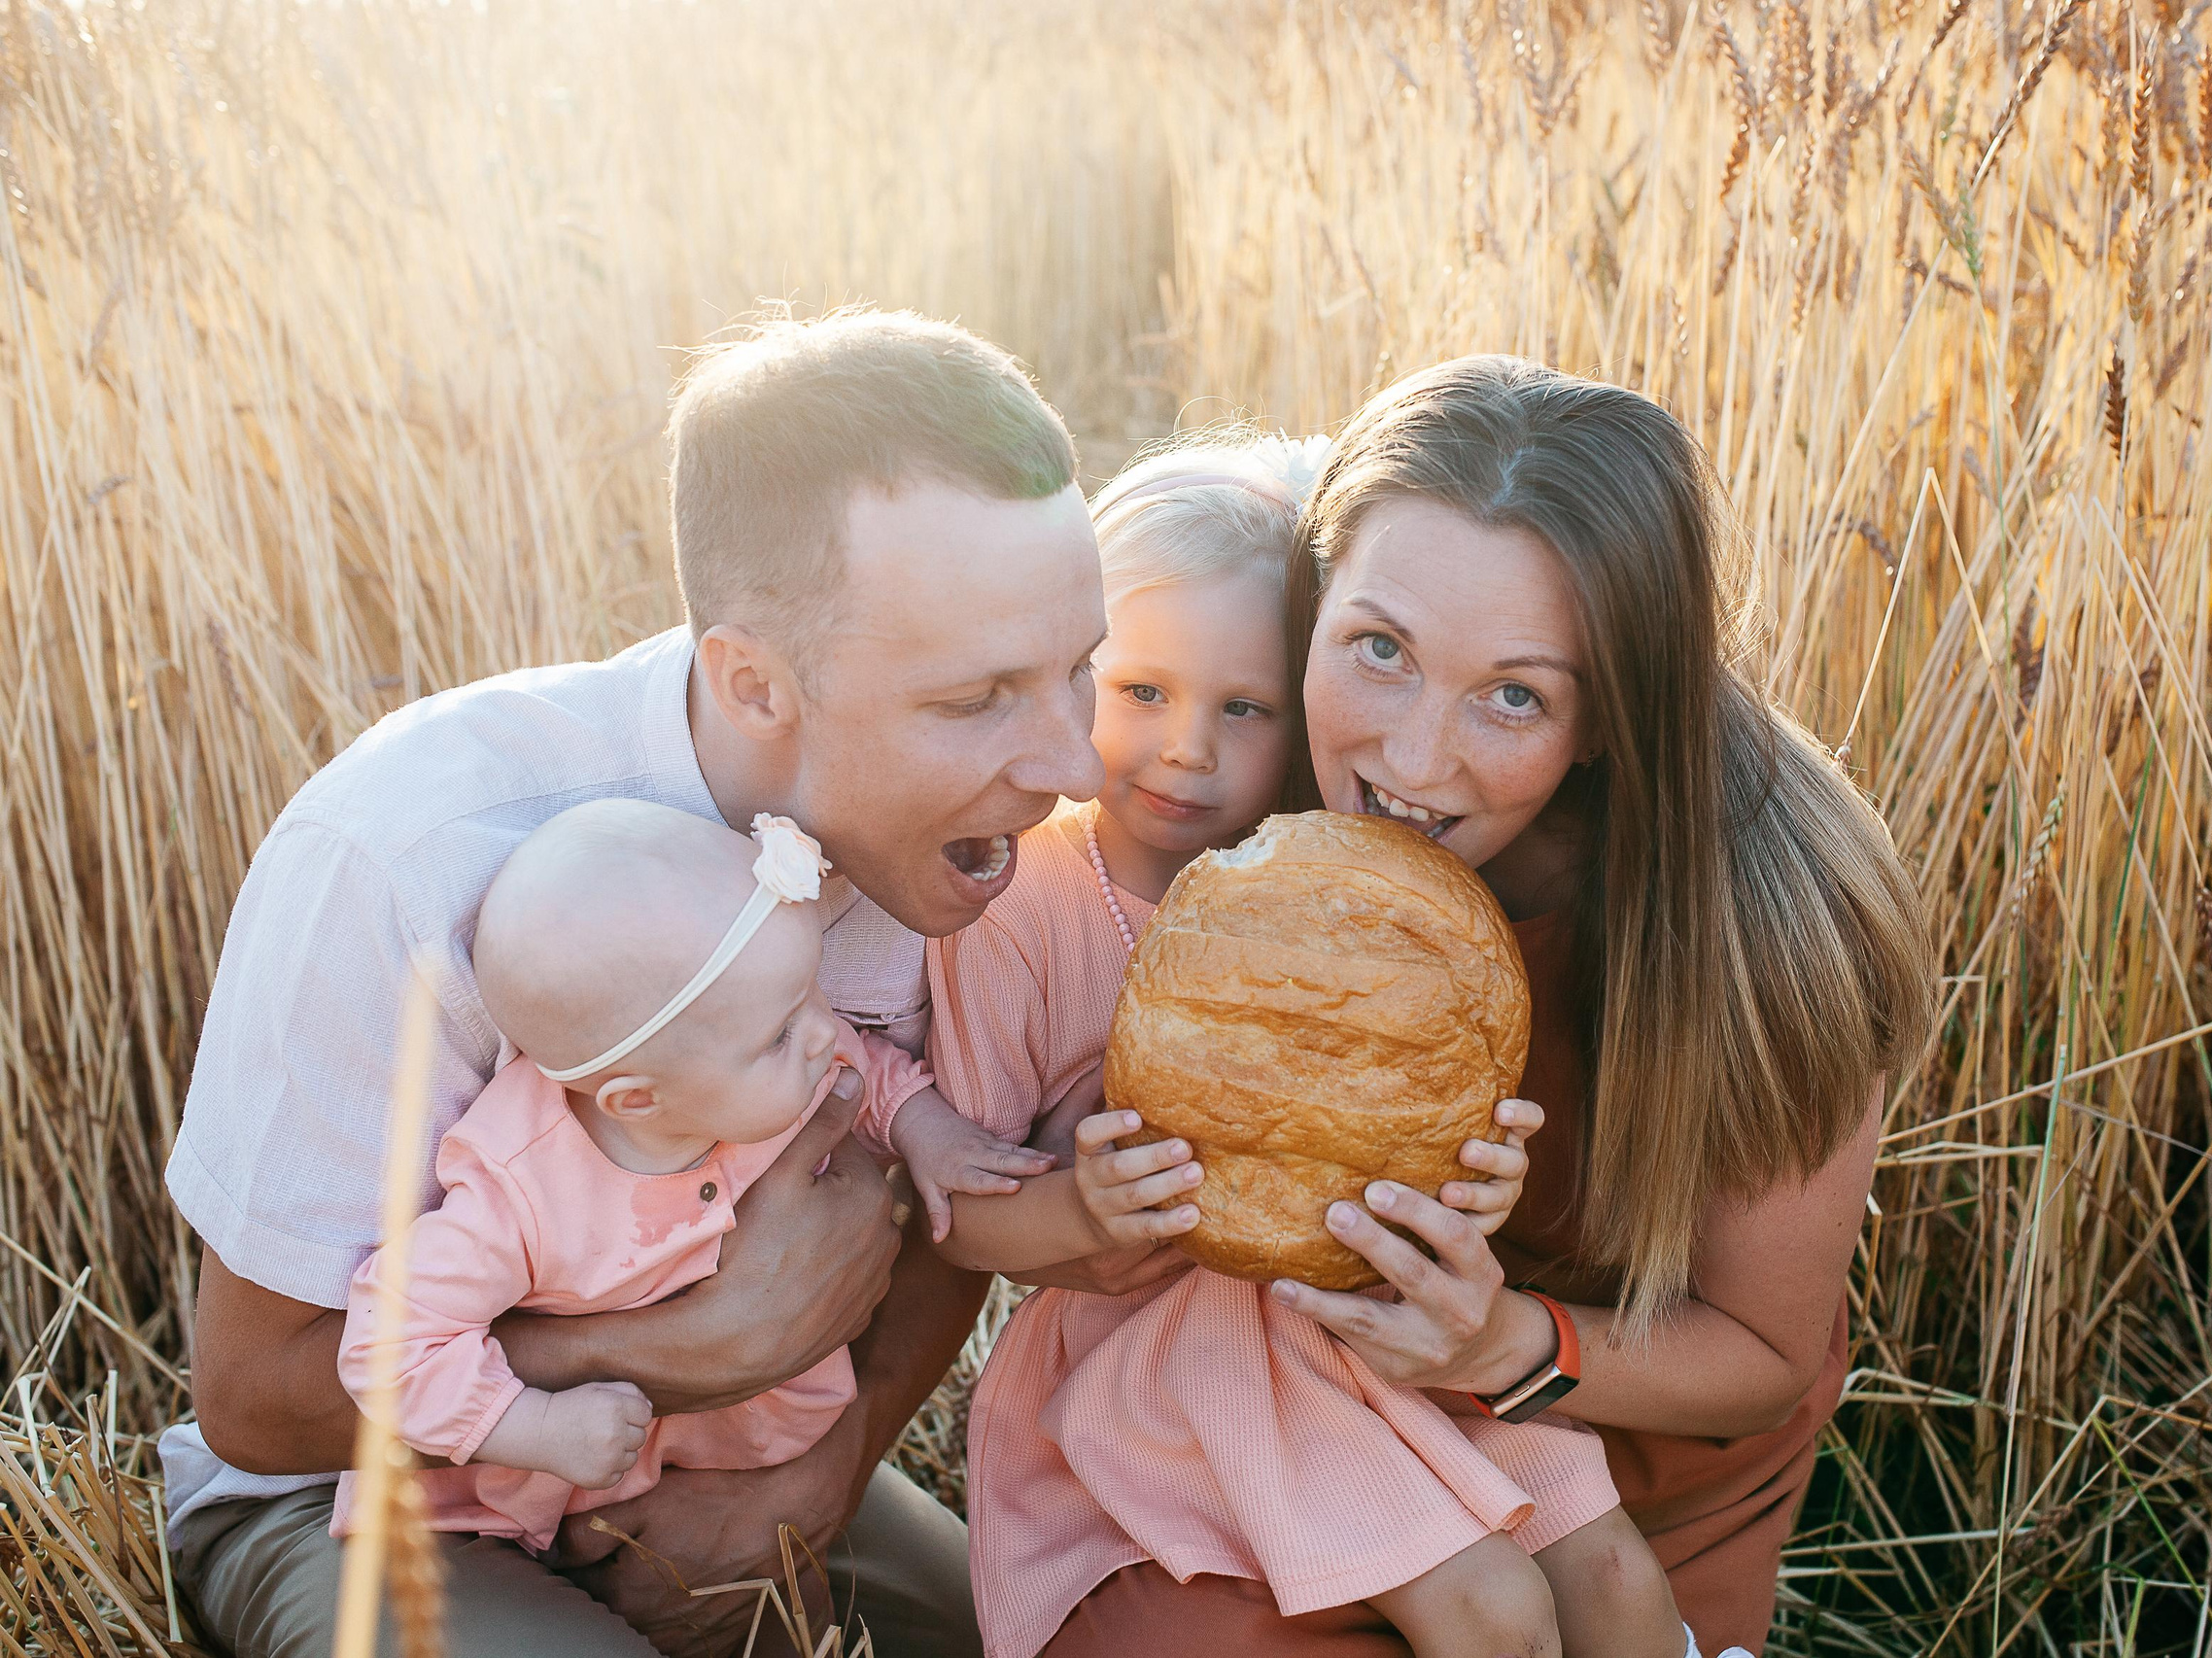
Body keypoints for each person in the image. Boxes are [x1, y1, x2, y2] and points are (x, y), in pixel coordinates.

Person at [162, 307, 1106, 1657]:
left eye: (1082, 666)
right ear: (756, 682)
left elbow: (952, 1188)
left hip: (722, 1453)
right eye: (982, 697)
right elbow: (253, 1395)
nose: (1074, 766)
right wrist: (688, 1345)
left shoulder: (969, 850)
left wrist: (821, 1475)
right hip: (365, 1499)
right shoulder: (404, 858)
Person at [1039, 357, 1936, 1657]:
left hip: (1622, 1437)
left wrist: (1504, 1338)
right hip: (1312, 1391)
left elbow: (1762, 1349)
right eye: (1379, 649)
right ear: (1317, 605)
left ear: (1612, 712)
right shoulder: (1250, 760)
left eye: (1515, 694)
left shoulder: (1778, 918)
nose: (1411, 760)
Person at [887, 438, 1695, 1658]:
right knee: (1498, 1618)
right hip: (1178, 1360)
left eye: (1243, 707)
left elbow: (1394, 1124)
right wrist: (1087, 1206)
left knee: (1622, 1591)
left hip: (1362, 1318)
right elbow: (967, 1218)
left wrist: (1470, 1182)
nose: (1188, 749)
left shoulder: (1336, 872)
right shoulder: (1023, 909)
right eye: (1140, 690)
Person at [334, 805, 986, 1553]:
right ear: (636, 1099)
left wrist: (925, 1128)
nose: (821, 1031)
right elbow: (390, 1344)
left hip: (724, 1473)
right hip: (504, 1522)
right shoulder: (524, 1193)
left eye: (811, 991)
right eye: (780, 1031)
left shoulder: (759, 1065)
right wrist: (531, 1426)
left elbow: (860, 1065)